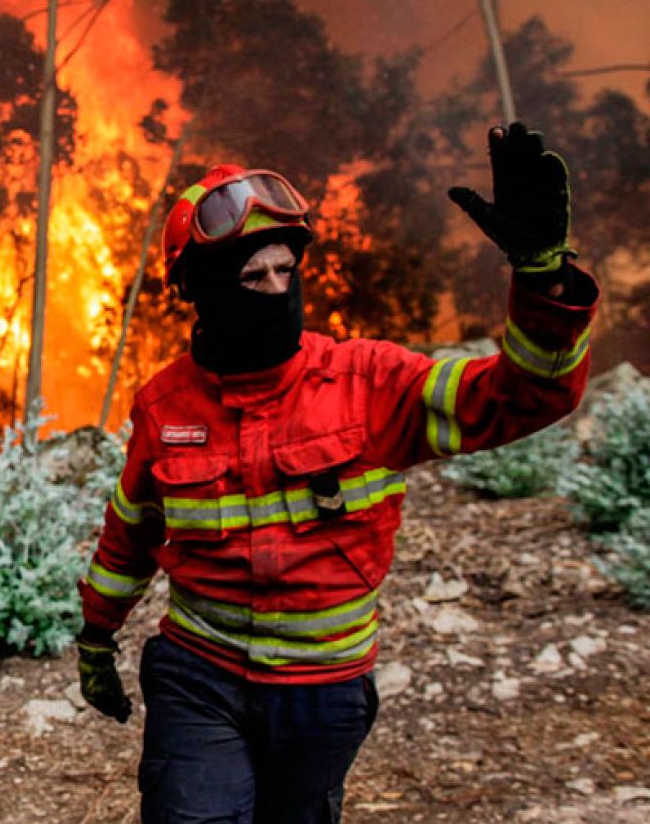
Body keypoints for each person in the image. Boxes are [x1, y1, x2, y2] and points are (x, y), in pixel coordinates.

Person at [75, 122, 598, 824]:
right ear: (199, 291)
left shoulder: (370, 382)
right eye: (251, 275)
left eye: (284, 270)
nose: (274, 286)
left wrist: (543, 277)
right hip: (199, 676)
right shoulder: (165, 406)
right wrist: (96, 635)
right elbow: (130, 533)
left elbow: (524, 396)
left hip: (323, 691)